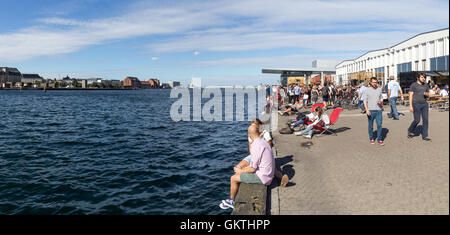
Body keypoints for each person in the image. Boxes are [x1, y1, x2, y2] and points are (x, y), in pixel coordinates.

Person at [220, 125, 275, 210]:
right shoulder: (263, 141)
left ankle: (232, 201)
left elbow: (253, 168)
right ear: (259, 133)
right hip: (268, 173)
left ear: (249, 135)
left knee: (233, 178)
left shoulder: (255, 145)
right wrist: (242, 170)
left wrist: (240, 171)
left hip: (264, 178)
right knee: (240, 172)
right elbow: (255, 164)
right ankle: (232, 198)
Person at [407, 73, 431, 141]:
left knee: (426, 120)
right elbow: (410, 95)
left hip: (424, 104)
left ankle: (424, 136)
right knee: (417, 120)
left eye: (424, 77)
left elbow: (428, 95)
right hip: (416, 104)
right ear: (418, 78)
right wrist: (410, 106)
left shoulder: (426, 85)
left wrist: (427, 94)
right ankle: (410, 130)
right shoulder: (413, 85)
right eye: (422, 77)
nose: (423, 79)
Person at [364, 77, 384, 145]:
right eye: (373, 82)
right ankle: (371, 138)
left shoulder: (379, 89)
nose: (375, 84)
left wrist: (381, 101)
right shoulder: (367, 90)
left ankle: (379, 139)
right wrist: (366, 110)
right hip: (370, 110)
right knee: (370, 126)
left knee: (379, 125)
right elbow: (365, 101)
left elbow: (381, 98)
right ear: (370, 82)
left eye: (376, 82)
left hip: (379, 110)